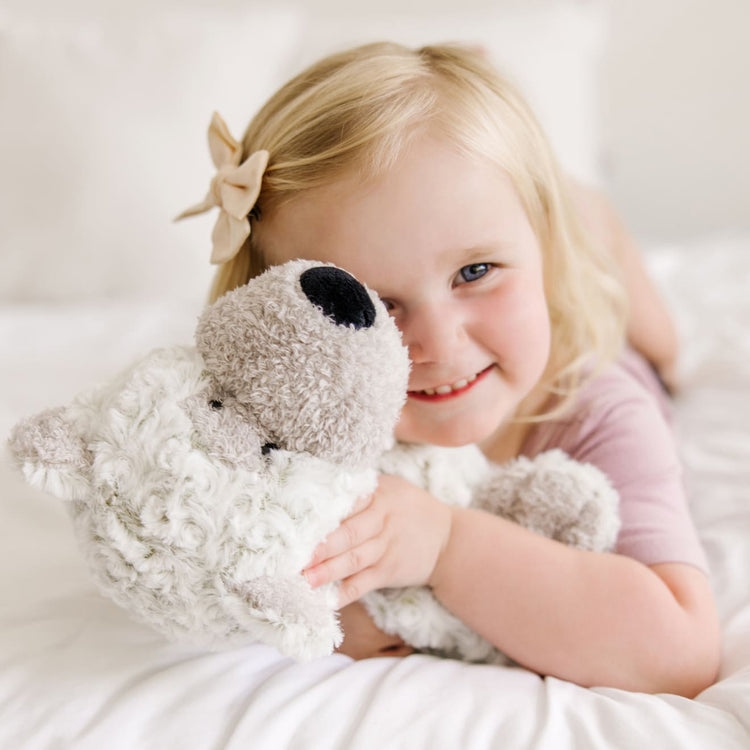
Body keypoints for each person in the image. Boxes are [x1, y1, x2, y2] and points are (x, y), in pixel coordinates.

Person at [182, 42, 719, 696]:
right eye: (375, 304)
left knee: (654, 336)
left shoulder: (599, 413)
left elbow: (681, 654)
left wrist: (447, 547)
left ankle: (588, 221)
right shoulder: (297, 405)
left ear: (542, 254)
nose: (437, 342)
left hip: (598, 310)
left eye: (475, 272)